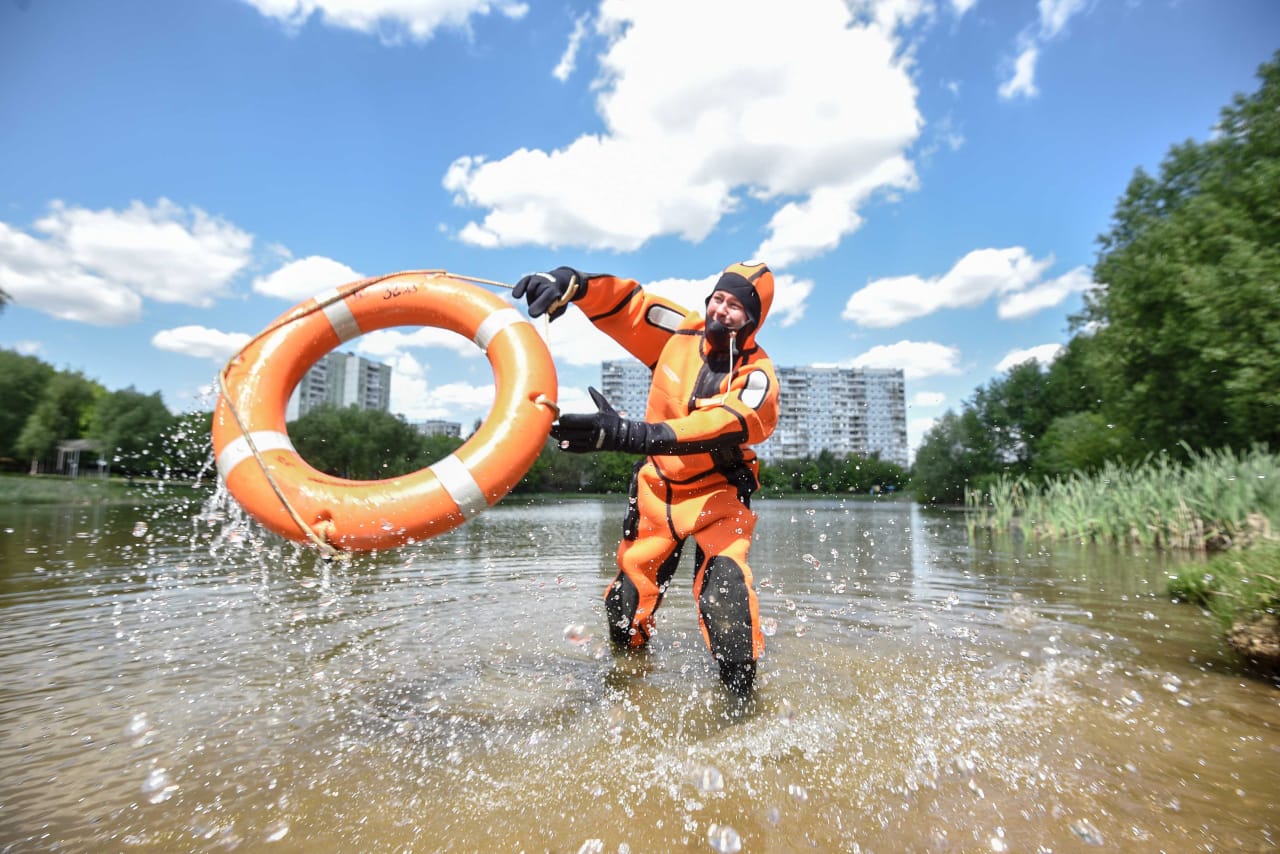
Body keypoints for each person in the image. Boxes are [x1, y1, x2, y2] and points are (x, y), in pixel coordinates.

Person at [512, 261, 780, 696]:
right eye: (718, 298)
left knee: (724, 595)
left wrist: (627, 434)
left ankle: (742, 705)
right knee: (625, 606)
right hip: (656, 489)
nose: (722, 310)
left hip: (720, 495)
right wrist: (570, 284)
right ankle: (629, 685)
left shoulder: (757, 375)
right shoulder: (682, 332)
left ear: (754, 318)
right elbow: (629, 307)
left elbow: (723, 422)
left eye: (736, 305)